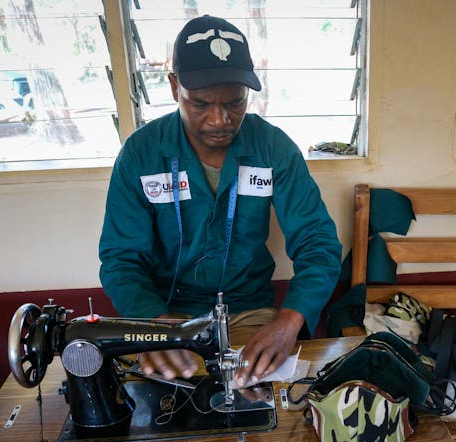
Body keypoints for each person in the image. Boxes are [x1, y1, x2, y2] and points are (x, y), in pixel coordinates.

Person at [98, 15, 342, 388]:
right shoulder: (141, 155)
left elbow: (318, 244)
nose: (219, 120)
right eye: (200, 104)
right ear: (174, 86)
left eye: (234, 103)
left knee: (267, 412)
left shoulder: (273, 148)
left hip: (251, 314)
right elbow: (120, 260)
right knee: (158, 419)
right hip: (167, 318)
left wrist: (289, 320)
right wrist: (151, 321)